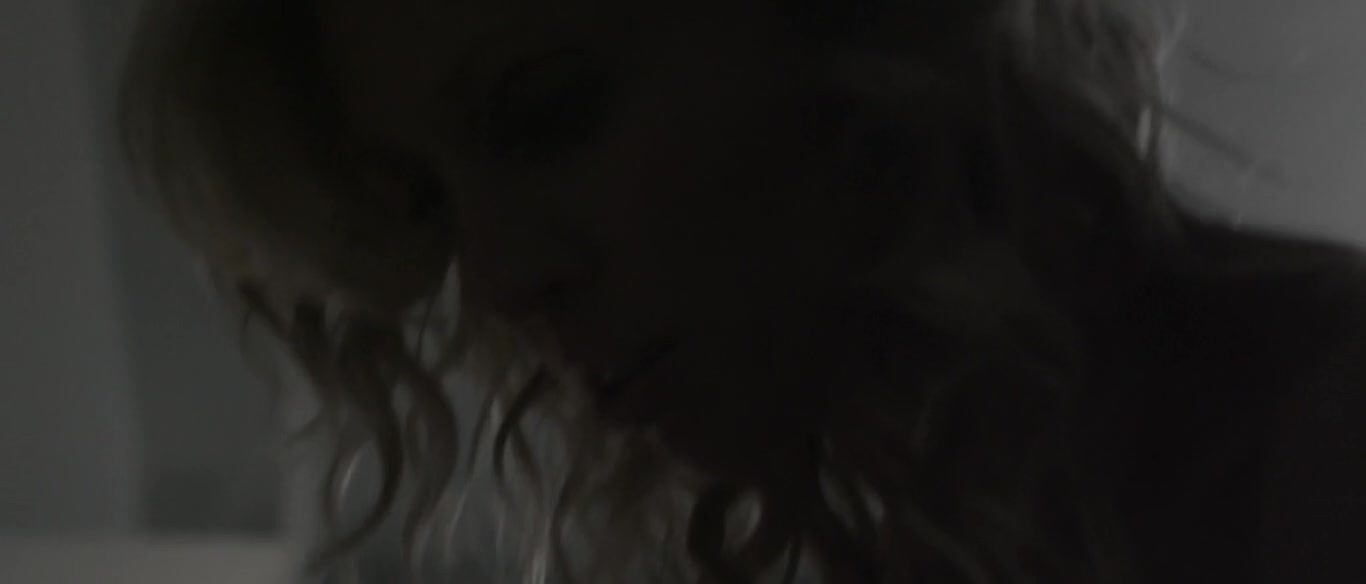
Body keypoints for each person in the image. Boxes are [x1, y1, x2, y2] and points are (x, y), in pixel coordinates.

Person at [118, 0, 1365, 582]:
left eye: (547, 111)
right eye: (429, 204)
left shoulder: (1321, 433)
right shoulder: (922, 519)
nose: (494, 279)